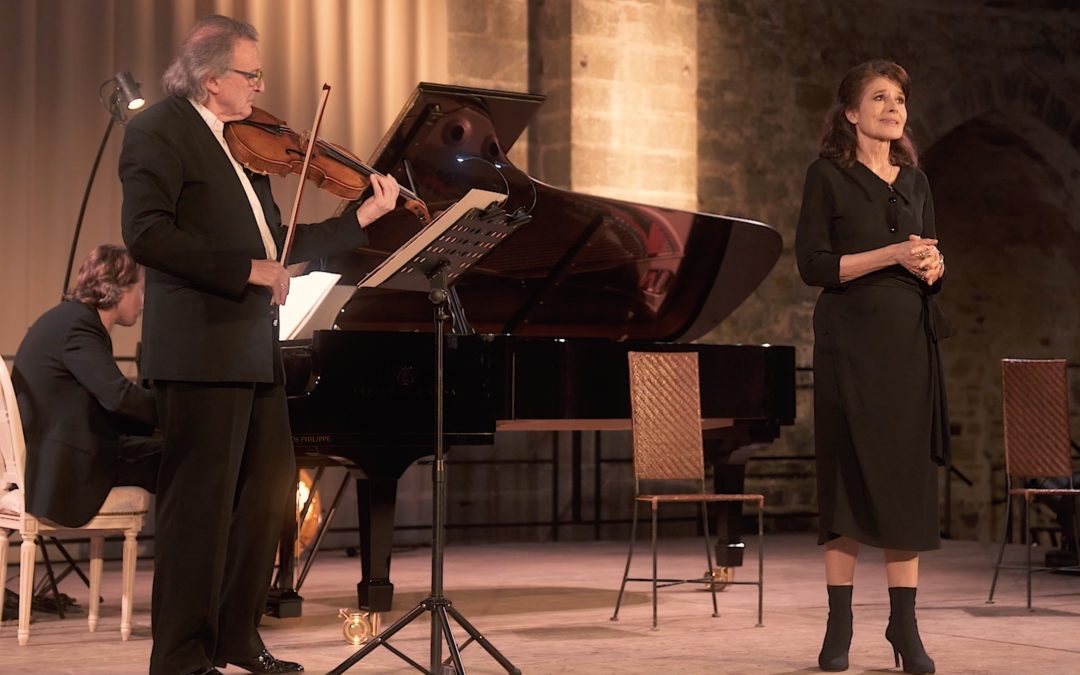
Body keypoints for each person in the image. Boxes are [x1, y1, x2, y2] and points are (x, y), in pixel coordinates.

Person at [118, 15, 400, 675]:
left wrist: (359, 219)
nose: (261, 85)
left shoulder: (244, 149)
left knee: (267, 492)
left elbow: (280, 250)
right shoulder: (157, 130)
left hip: (250, 350)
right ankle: (180, 655)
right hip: (198, 350)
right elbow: (147, 234)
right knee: (199, 508)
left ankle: (236, 637)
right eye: (251, 72)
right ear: (213, 79)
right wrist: (247, 271)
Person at [795, 60, 948, 675]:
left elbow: (932, 255)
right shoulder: (827, 176)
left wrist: (935, 268)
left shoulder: (915, 181)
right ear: (851, 113)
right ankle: (840, 622)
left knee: (906, 482)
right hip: (848, 343)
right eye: (880, 98)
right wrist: (891, 252)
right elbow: (815, 265)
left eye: (901, 99)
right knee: (846, 475)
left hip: (908, 344)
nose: (894, 107)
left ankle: (904, 625)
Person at [13, 244, 159, 528]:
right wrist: (178, 412)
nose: (143, 302)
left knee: (170, 452)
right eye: (139, 290)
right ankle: (191, 564)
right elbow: (118, 396)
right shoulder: (80, 325)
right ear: (118, 287)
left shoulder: (69, 319)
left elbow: (102, 401)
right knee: (182, 460)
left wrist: (152, 423)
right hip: (67, 471)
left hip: (59, 457)